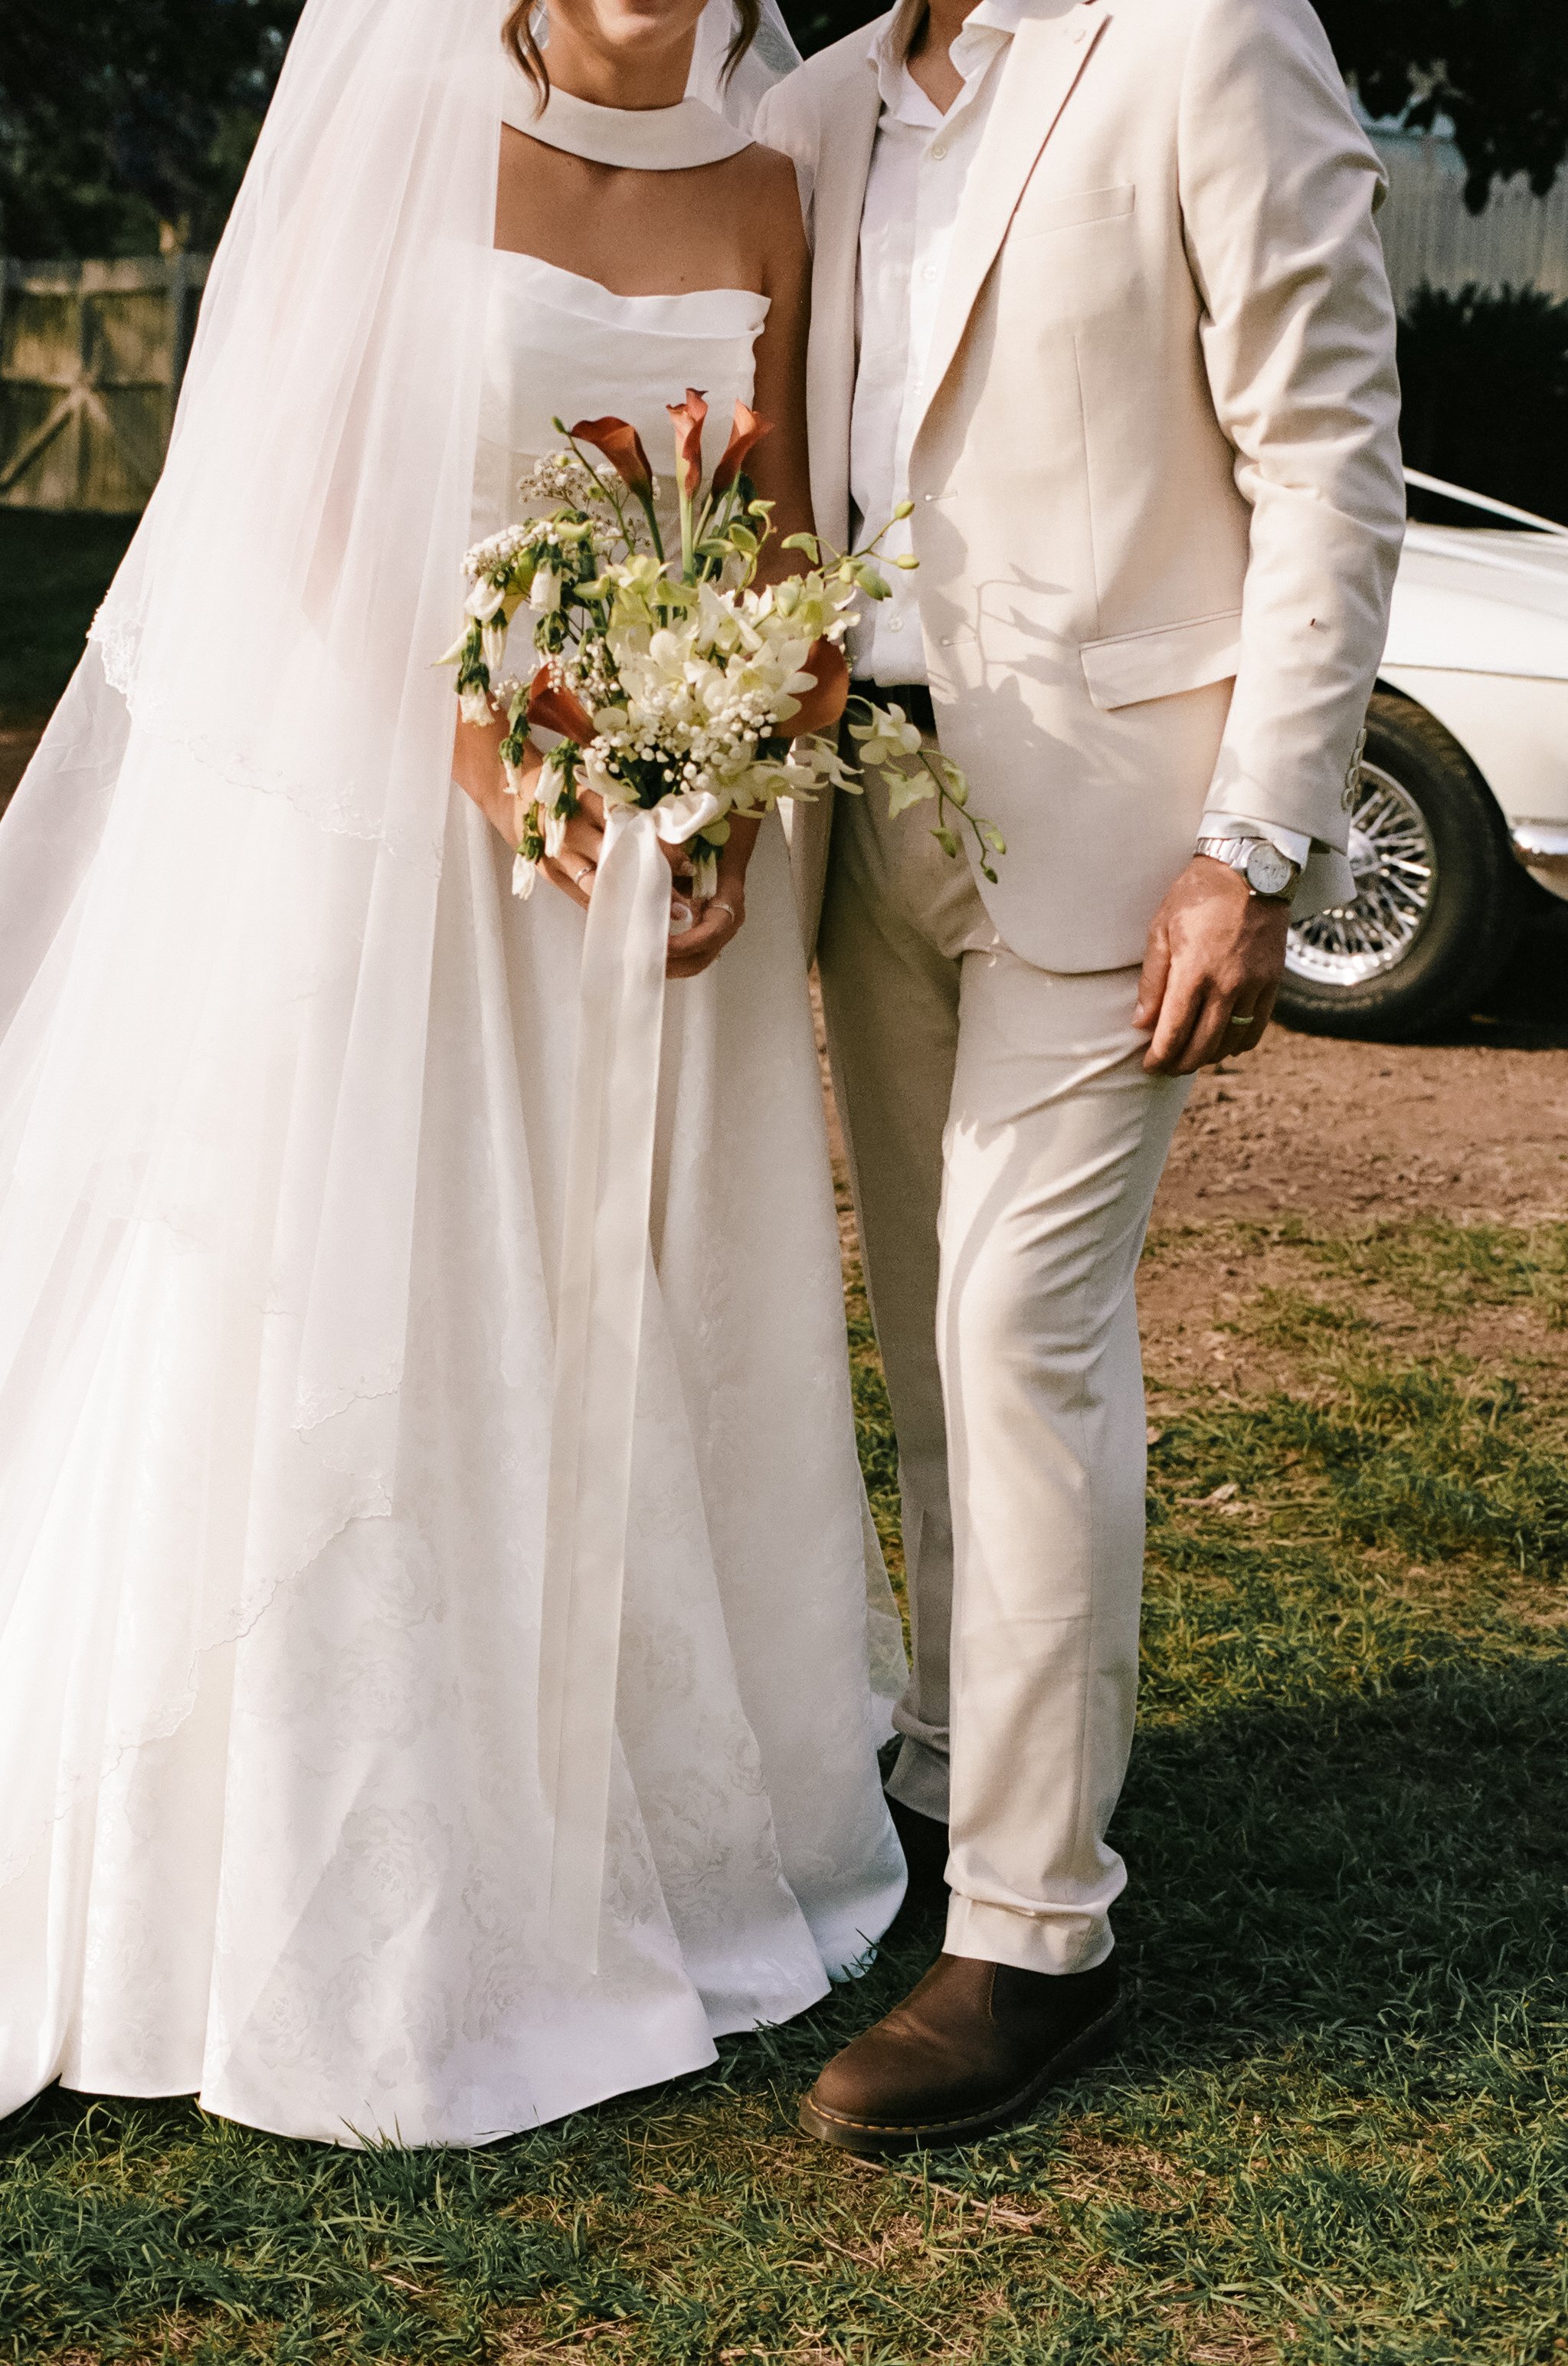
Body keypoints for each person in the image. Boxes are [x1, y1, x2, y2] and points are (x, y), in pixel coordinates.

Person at [0, 0, 905, 2148]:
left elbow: (778, 528)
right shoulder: (414, 152)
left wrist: (729, 781)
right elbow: (297, 510)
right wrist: (502, 757)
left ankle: (610, 1821)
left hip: (648, 850)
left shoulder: (770, 187)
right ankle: (228, 1868)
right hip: (407, 830)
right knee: (353, 1307)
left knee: (615, 1310)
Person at [757, 0, 1404, 2153]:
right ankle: (953, 1784)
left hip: (1126, 827)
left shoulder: (1211, 34)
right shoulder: (824, 97)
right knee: (929, 1345)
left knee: (1019, 1332)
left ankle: (1038, 1931)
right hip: (873, 812)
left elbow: (1326, 451)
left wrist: (1254, 840)